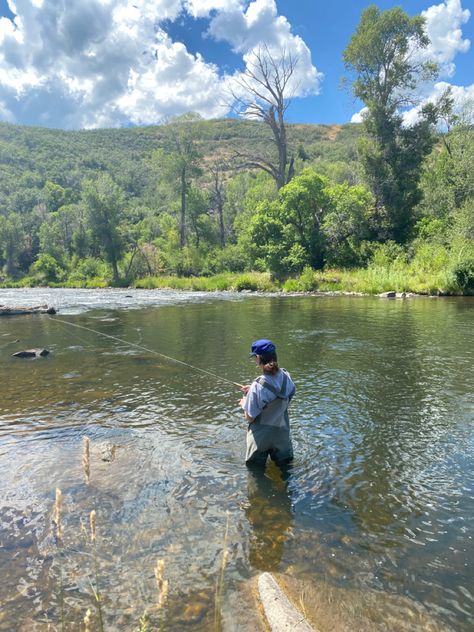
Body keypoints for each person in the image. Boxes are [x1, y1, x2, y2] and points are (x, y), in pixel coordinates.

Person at [239, 339, 295, 467]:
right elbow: (287, 397)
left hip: (261, 440)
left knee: (256, 475)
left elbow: (250, 417)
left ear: (258, 358)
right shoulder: (287, 376)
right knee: (286, 471)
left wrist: (244, 403)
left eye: (255, 358)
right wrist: (252, 390)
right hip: (281, 437)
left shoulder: (257, 386)